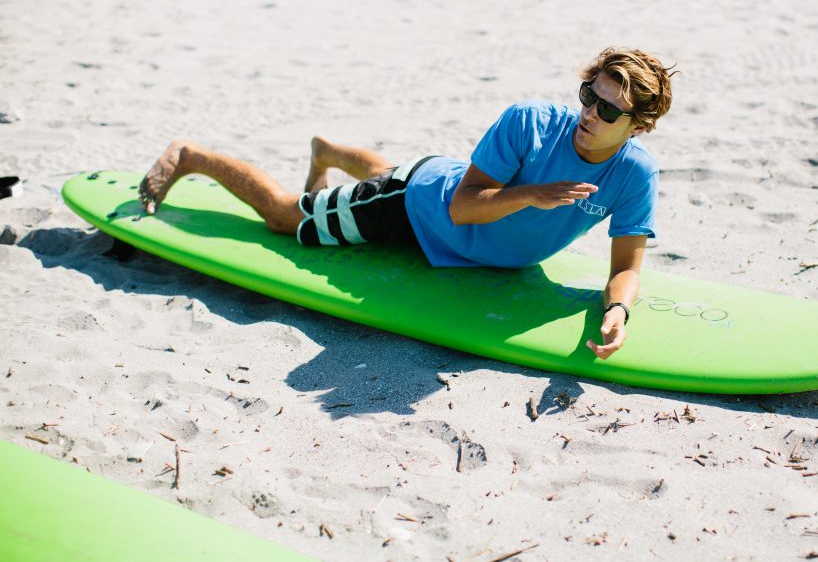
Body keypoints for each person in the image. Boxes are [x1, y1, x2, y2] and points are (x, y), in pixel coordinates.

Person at [138, 47, 675, 359]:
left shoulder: (634, 174)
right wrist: (534, 195)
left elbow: (626, 266)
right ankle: (192, 156)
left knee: (387, 174)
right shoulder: (530, 123)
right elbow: (462, 208)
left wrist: (618, 310)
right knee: (285, 216)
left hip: (456, 216)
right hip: (420, 208)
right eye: (589, 96)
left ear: (639, 125)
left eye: (609, 111)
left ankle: (329, 150)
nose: (589, 114)